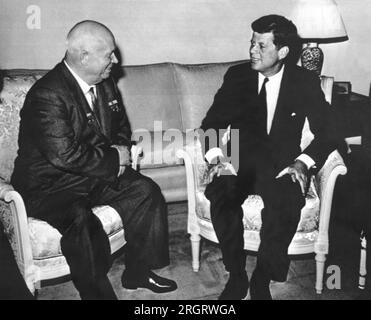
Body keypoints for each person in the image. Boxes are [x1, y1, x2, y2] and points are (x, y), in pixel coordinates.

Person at [11, 20, 177, 300]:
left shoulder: (105, 82)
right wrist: (116, 157)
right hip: (51, 185)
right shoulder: (47, 95)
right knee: (82, 224)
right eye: (108, 54)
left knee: (146, 192)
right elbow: (63, 155)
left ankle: (138, 271)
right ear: (82, 56)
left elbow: (122, 128)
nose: (116, 59)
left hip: (92, 175)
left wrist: (121, 151)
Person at [200, 14, 335, 300]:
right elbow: (211, 124)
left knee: (286, 203)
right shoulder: (237, 76)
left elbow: (329, 132)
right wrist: (216, 159)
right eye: (252, 43)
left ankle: (262, 277)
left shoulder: (304, 82)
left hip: (281, 164)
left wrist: (303, 162)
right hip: (236, 158)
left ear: (282, 52)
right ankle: (236, 275)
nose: (252, 51)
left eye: (261, 46)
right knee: (221, 191)